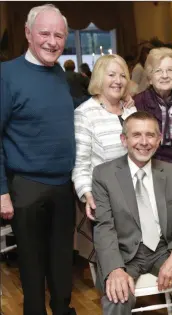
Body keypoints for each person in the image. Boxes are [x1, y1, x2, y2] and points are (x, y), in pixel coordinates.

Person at [92, 111, 172, 315]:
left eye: (150, 135)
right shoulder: (104, 174)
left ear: (158, 140)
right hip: (124, 254)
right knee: (117, 297)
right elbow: (104, 227)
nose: (144, 142)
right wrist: (114, 269)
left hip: (162, 249)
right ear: (124, 140)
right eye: (136, 135)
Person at [0, 4, 77, 315]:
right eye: (44, 33)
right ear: (28, 33)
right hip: (25, 187)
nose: (52, 41)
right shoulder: (6, 75)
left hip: (63, 186)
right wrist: (2, 191)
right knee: (32, 270)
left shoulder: (60, 73)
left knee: (62, 266)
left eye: (59, 35)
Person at [72, 54, 137, 262]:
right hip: (106, 199)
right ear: (99, 77)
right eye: (111, 75)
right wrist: (87, 194)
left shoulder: (130, 110)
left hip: (136, 195)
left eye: (122, 75)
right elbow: (80, 163)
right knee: (114, 261)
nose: (118, 81)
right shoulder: (85, 113)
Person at [133, 47, 172, 166]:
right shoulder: (137, 103)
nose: (165, 75)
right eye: (158, 71)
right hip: (150, 167)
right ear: (150, 79)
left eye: (170, 70)